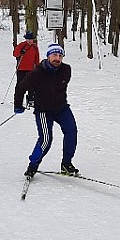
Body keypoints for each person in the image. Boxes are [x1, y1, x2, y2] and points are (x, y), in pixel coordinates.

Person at [14, 43, 79, 178]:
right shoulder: (36, 73)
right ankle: (33, 166)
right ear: (48, 56)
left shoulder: (66, 70)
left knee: (71, 131)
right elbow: (21, 88)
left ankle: (66, 164)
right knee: (46, 140)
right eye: (54, 55)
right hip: (43, 111)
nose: (57, 58)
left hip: (61, 107)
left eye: (60, 56)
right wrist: (18, 105)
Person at [12, 31, 39, 106]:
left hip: (31, 69)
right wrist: (21, 52)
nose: (30, 41)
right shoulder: (22, 45)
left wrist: (37, 66)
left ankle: (31, 99)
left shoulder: (34, 47)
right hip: (21, 69)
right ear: (26, 39)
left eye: (31, 39)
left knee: (32, 85)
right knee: (20, 85)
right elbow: (15, 54)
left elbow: (36, 57)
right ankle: (17, 100)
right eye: (28, 39)